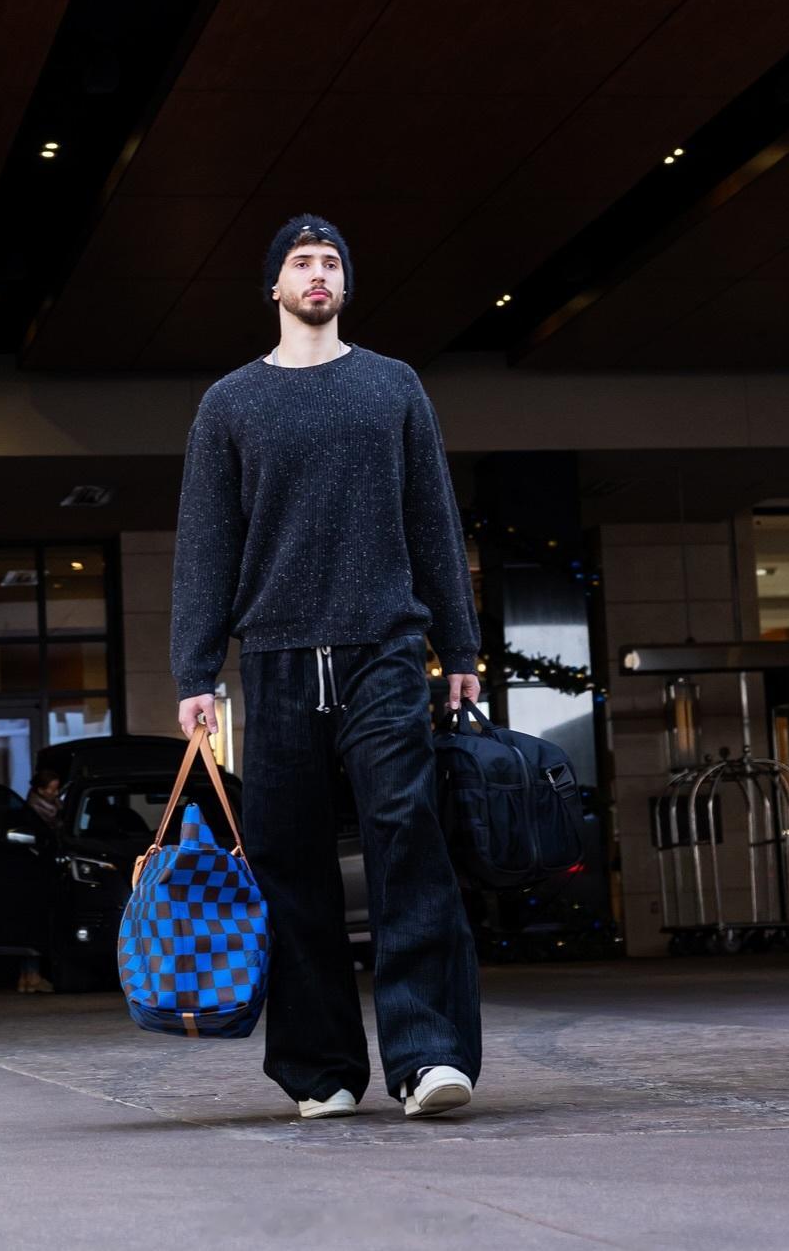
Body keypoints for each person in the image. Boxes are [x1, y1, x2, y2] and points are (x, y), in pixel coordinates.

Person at [170, 214, 482, 1120]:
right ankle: (322, 1071)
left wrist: (459, 646)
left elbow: (432, 517)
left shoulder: (392, 385)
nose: (318, 272)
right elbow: (206, 543)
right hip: (273, 657)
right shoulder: (230, 402)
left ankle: (429, 1056)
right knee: (288, 858)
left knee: (406, 833)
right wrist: (195, 670)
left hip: (384, 645)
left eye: (332, 261)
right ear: (274, 285)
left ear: (345, 285)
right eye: (301, 262)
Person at [15, 768, 62, 993]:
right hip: (35, 874)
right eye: (52, 789)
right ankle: (32, 975)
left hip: (33, 873)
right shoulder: (36, 812)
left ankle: (27, 976)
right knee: (36, 925)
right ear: (40, 790)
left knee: (31, 926)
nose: (56, 794)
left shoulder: (37, 808)